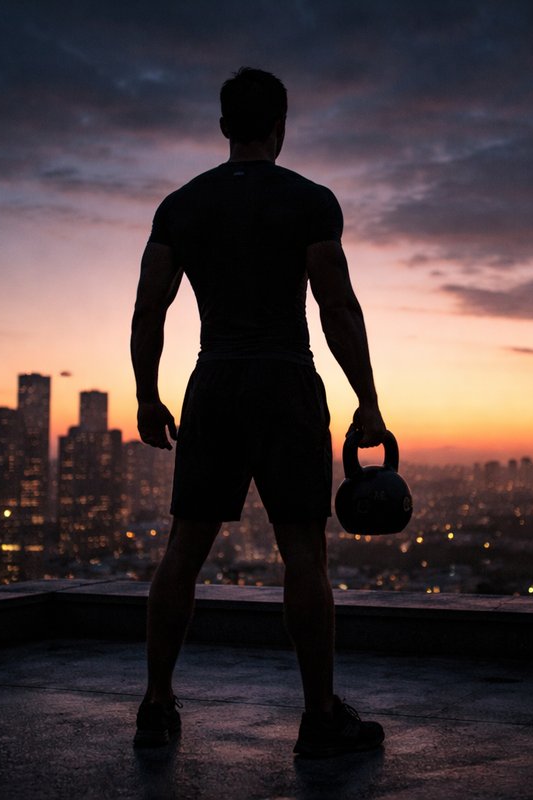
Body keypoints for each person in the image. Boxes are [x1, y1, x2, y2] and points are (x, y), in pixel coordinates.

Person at [130, 67, 387, 758]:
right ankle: (319, 716)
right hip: (284, 381)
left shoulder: (181, 207)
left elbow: (149, 308)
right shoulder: (309, 201)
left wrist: (147, 394)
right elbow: (337, 306)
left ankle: (155, 706)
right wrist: (368, 400)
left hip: (213, 382)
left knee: (184, 548)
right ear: (281, 126)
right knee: (303, 552)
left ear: (223, 126)